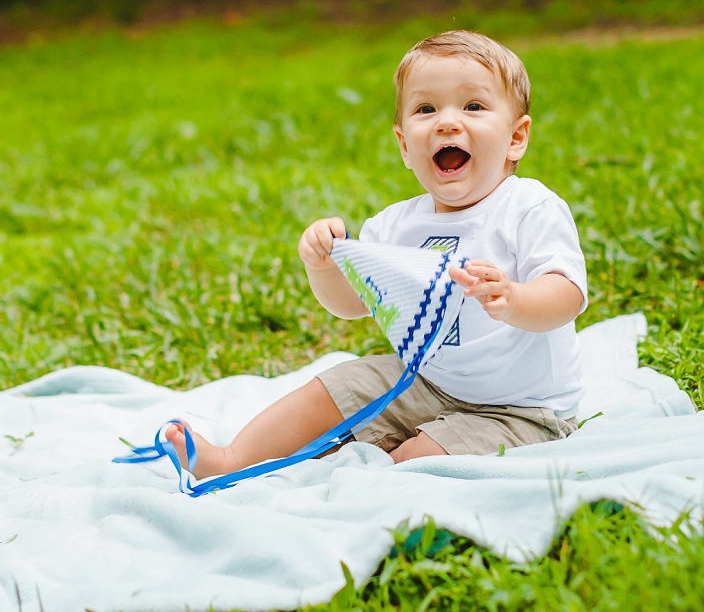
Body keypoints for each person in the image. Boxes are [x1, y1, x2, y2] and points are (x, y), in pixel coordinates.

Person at [166, 30, 587, 477]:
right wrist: (324, 266)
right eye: (426, 109)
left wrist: (516, 299)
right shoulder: (395, 226)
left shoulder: (528, 208)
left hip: (519, 407)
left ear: (516, 138)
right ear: (406, 145)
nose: (446, 122)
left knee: (414, 465)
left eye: (473, 106)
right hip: (426, 382)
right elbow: (352, 305)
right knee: (340, 386)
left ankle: (396, 447)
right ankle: (228, 459)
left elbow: (567, 294)